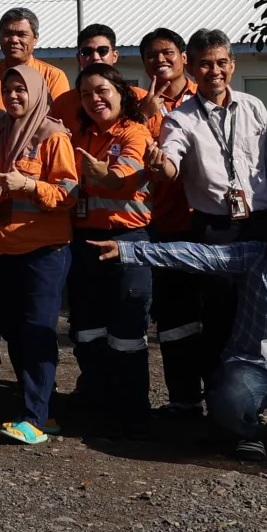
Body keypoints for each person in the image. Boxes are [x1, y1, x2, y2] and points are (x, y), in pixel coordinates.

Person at [91, 190, 267, 459]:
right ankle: (251, 434)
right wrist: (128, 250)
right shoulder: (256, 257)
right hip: (255, 366)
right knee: (230, 395)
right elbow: (198, 255)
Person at [148, 29, 267, 423]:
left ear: (233, 64)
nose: (215, 71)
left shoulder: (253, 106)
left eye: (222, 62)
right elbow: (172, 163)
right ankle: (224, 411)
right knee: (220, 319)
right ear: (191, 68)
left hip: (262, 223)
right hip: (215, 229)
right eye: (206, 64)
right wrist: (161, 164)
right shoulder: (180, 118)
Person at [0, 62, 78, 445]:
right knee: (14, 332)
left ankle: (34, 418)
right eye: (8, 90)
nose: (13, 96)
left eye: (21, 89)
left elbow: (68, 195)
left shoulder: (53, 136)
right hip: (5, 248)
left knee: (37, 332)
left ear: (37, 93)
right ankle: (43, 409)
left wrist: (29, 185)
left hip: (44, 251)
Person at [67, 63, 157, 434]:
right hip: (85, 240)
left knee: (127, 331)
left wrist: (105, 173)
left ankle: (132, 412)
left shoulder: (135, 131)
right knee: (87, 328)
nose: (94, 99)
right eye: (86, 94)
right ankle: (96, 401)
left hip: (128, 241)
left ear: (121, 93)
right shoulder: (80, 135)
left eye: (102, 90)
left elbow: (125, 176)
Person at [0, 6, 72, 112]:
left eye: (21, 35)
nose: (14, 40)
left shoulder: (53, 77)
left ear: (35, 39)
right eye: (8, 34)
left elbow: (59, 116)